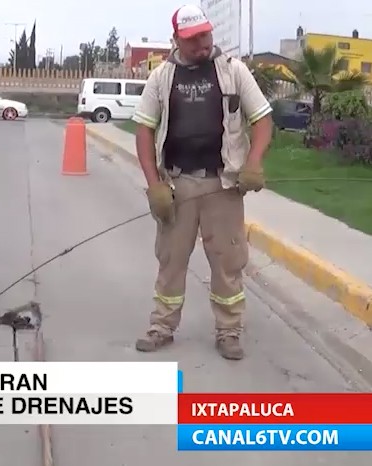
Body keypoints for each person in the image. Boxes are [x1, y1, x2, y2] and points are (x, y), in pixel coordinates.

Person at [130, 5, 273, 360]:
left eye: (205, 36)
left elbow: (263, 119)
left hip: (223, 187)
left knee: (228, 261)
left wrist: (253, 163)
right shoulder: (162, 77)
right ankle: (161, 326)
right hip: (178, 186)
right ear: (176, 39)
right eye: (192, 39)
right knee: (171, 260)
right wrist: (154, 185)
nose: (201, 44)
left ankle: (228, 332)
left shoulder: (233, 71)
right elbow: (145, 130)